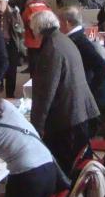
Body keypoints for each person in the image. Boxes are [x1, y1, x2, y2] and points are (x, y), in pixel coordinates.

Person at [29, 10, 100, 174]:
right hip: (79, 112)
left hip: (67, 118)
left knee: (68, 168)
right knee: (81, 164)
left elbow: (45, 92)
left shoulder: (51, 48)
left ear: (38, 29)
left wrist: (36, 128)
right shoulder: (62, 40)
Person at [61, 7, 105, 110]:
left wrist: (90, 90)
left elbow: (102, 67)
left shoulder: (80, 41)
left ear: (66, 22)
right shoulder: (81, 35)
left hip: (83, 90)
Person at [0, 0, 24, 98]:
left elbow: (20, 30)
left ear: (6, 2)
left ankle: (10, 94)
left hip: (10, 44)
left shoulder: (13, 13)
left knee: (11, 70)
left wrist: (14, 21)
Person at [21, 0, 52, 76]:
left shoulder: (28, 10)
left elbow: (23, 21)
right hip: (45, 40)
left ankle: (33, 81)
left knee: (34, 64)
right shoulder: (47, 8)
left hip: (32, 41)